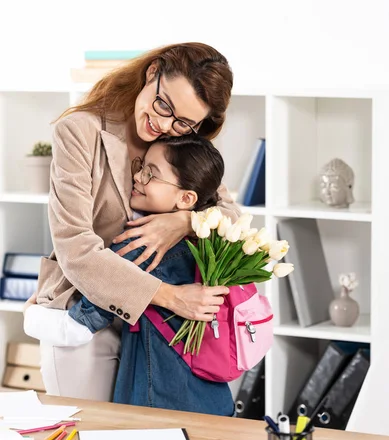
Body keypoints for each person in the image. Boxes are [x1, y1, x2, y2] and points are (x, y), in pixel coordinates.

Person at [26, 43, 240, 401]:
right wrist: (169, 297)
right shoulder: (80, 131)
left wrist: (184, 222)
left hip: (153, 331)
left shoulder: (180, 138)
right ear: (153, 72)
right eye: (164, 105)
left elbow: (231, 215)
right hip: (84, 313)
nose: (165, 124)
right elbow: (76, 249)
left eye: (183, 121)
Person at [25, 135, 235, 416]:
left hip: (157, 403)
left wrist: (31, 315)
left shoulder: (139, 245)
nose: (137, 177)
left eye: (151, 174)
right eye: (141, 167)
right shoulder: (216, 245)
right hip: (214, 401)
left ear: (186, 198)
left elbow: (78, 327)